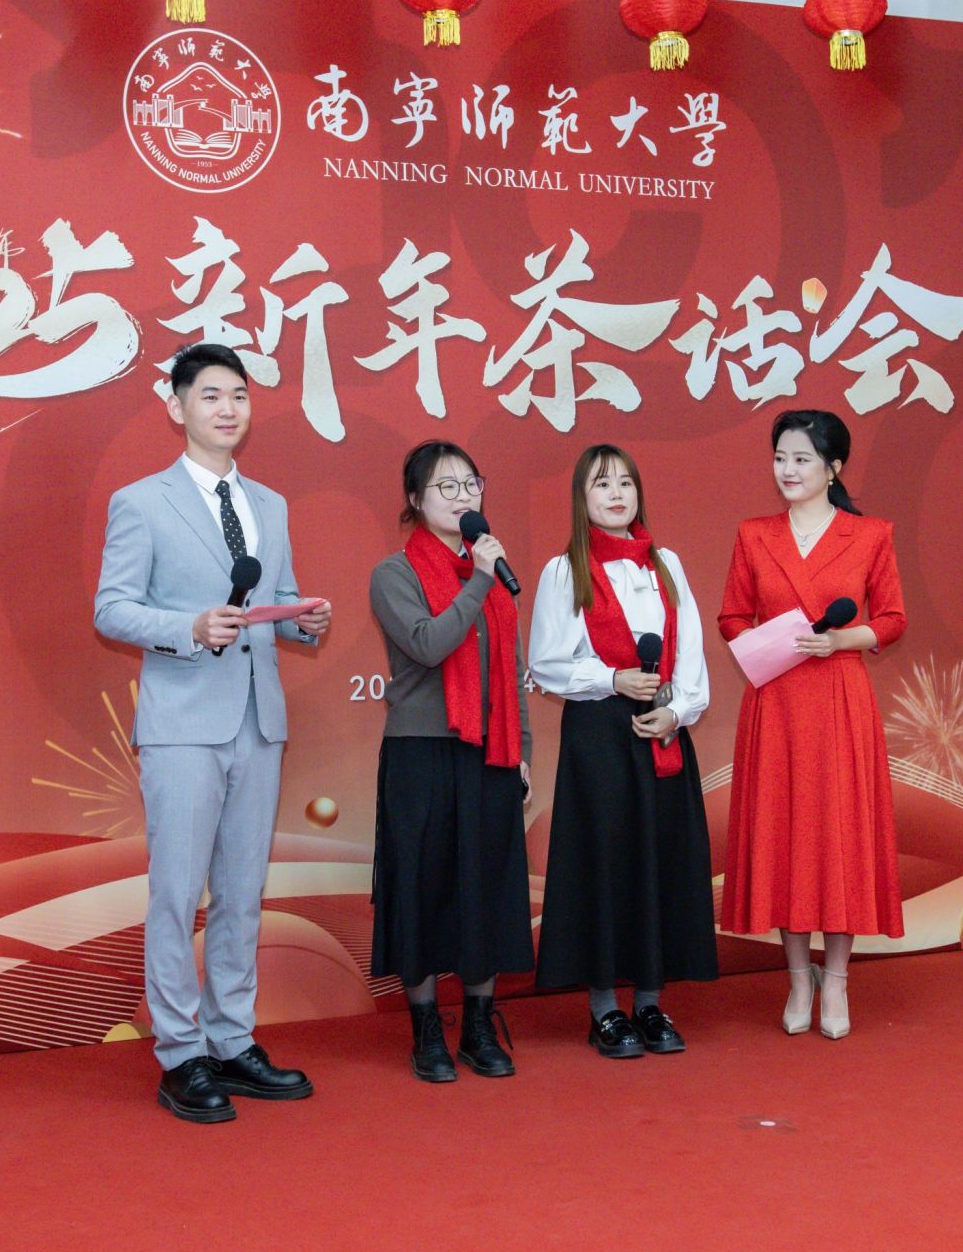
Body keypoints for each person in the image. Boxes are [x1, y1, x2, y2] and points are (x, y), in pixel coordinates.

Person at [93, 343, 333, 1124]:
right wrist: (188, 627)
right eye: (210, 396)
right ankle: (180, 1054)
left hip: (259, 721)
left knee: (241, 893)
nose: (228, 409)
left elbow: (275, 601)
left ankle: (232, 1040)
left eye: (238, 395)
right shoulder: (142, 502)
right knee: (176, 894)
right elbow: (112, 609)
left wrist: (303, 620)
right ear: (177, 407)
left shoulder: (270, 505)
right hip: (183, 725)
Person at [718, 410, 906, 1041]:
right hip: (776, 700)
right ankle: (799, 978)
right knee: (785, 833)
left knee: (838, 834)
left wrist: (841, 640)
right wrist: (766, 642)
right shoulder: (754, 534)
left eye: (801, 459)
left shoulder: (870, 534)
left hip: (839, 697)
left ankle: (839, 980)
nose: (788, 470)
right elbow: (731, 615)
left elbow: (893, 619)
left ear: (834, 467)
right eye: (780, 458)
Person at [530, 444, 718, 1059]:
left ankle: (651, 1002)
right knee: (605, 863)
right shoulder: (565, 571)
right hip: (600, 734)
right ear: (581, 498)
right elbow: (546, 662)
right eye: (601, 484)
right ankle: (605, 1009)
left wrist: (678, 710)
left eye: (625, 484)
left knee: (660, 860)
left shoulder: (666, 563)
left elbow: (690, 650)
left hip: (661, 726)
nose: (616, 495)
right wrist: (612, 679)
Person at [367, 441, 534, 1082]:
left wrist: (522, 749)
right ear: (415, 500)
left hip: (490, 751)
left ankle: (480, 1028)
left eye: (471, 484)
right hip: (422, 753)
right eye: (446, 487)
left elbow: (511, 674)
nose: (463, 497)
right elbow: (430, 644)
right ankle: (427, 1031)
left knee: (483, 885)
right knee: (421, 886)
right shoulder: (394, 574)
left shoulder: (487, 574)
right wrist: (481, 581)